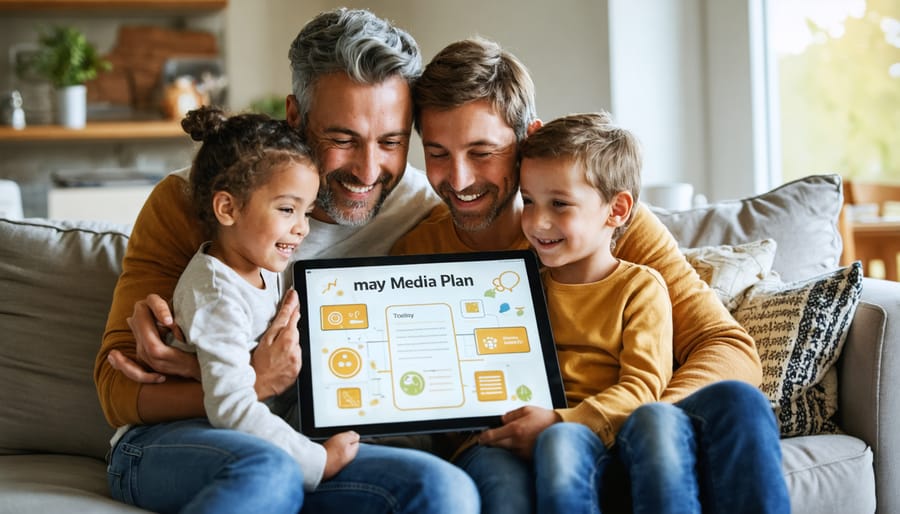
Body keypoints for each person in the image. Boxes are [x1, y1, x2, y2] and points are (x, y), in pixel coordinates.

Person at [95, 8, 477, 514]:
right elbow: (117, 390)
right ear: (295, 116)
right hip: (178, 440)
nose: (367, 170)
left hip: (298, 440)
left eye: (391, 142)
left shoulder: (421, 210)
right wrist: (253, 378)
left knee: (444, 490)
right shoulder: (195, 201)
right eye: (342, 139)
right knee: (266, 471)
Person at [393, 37, 789, 513]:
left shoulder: (613, 227)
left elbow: (726, 346)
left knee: (738, 405)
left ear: (527, 141)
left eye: (482, 152)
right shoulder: (415, 252)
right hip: (506, 445)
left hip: (628, 425)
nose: (457, 180)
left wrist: (630, 423)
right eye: (437, 153)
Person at [169, 106, 360, 504]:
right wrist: (317, 460)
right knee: (276, 473)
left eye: (306, 212)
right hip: (176, 438)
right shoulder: (216, 294)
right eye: (287, 209)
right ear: (228, 208)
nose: (302, 227)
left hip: (229, 429)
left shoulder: (260, 264)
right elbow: (231, 408)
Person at [518, 112, 688, 513]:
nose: (537, 221)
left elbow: (643, 388)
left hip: (610, 436)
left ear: (616, 210)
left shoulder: (640, 288)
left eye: (559, 204)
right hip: (538, 430)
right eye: (528, 201)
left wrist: (563, 422)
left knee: (560, 446)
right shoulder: (525, 284)